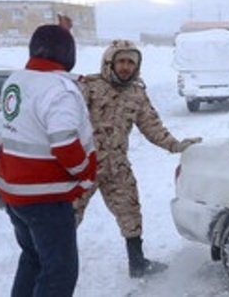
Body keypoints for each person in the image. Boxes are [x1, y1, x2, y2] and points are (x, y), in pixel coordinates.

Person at [73, 40, 202, 278]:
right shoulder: (89, 87)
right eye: (121, 61)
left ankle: (137, 262)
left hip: (117, 166)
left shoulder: (136, 93)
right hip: (84, 166)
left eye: (131, 62)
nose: (125, 67)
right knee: (69, 216)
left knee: (130, 211)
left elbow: (151, 125)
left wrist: (175, 145)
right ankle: (56, 264)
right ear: (110, 61)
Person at [0, 24, 98, 297]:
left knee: (32, 258)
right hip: (45, 198)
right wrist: (85, 171)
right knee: (59, 272)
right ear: (68, 53)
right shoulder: (59, 89)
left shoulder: (17, 80)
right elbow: (64, 142)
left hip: (15, 192)